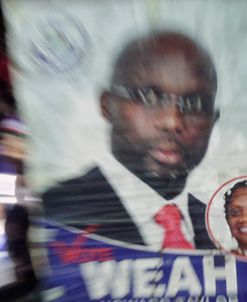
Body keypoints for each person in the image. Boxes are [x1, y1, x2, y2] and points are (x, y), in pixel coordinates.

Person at [42, 31, 219, 250]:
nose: (172, 121)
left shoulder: (225, 226)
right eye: (149, 97)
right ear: (108, 106)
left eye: (195, 104)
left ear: (213, 121)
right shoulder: (55, 213)